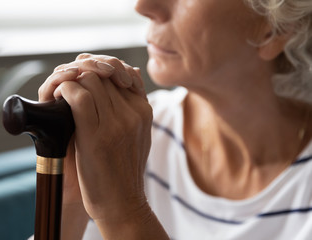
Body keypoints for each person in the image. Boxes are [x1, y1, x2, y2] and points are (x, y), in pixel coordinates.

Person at [32, 0, 312, 239]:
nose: (144, 6)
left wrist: (125, 212)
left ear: (275, 29)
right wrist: (65, 199)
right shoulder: (121, 136)